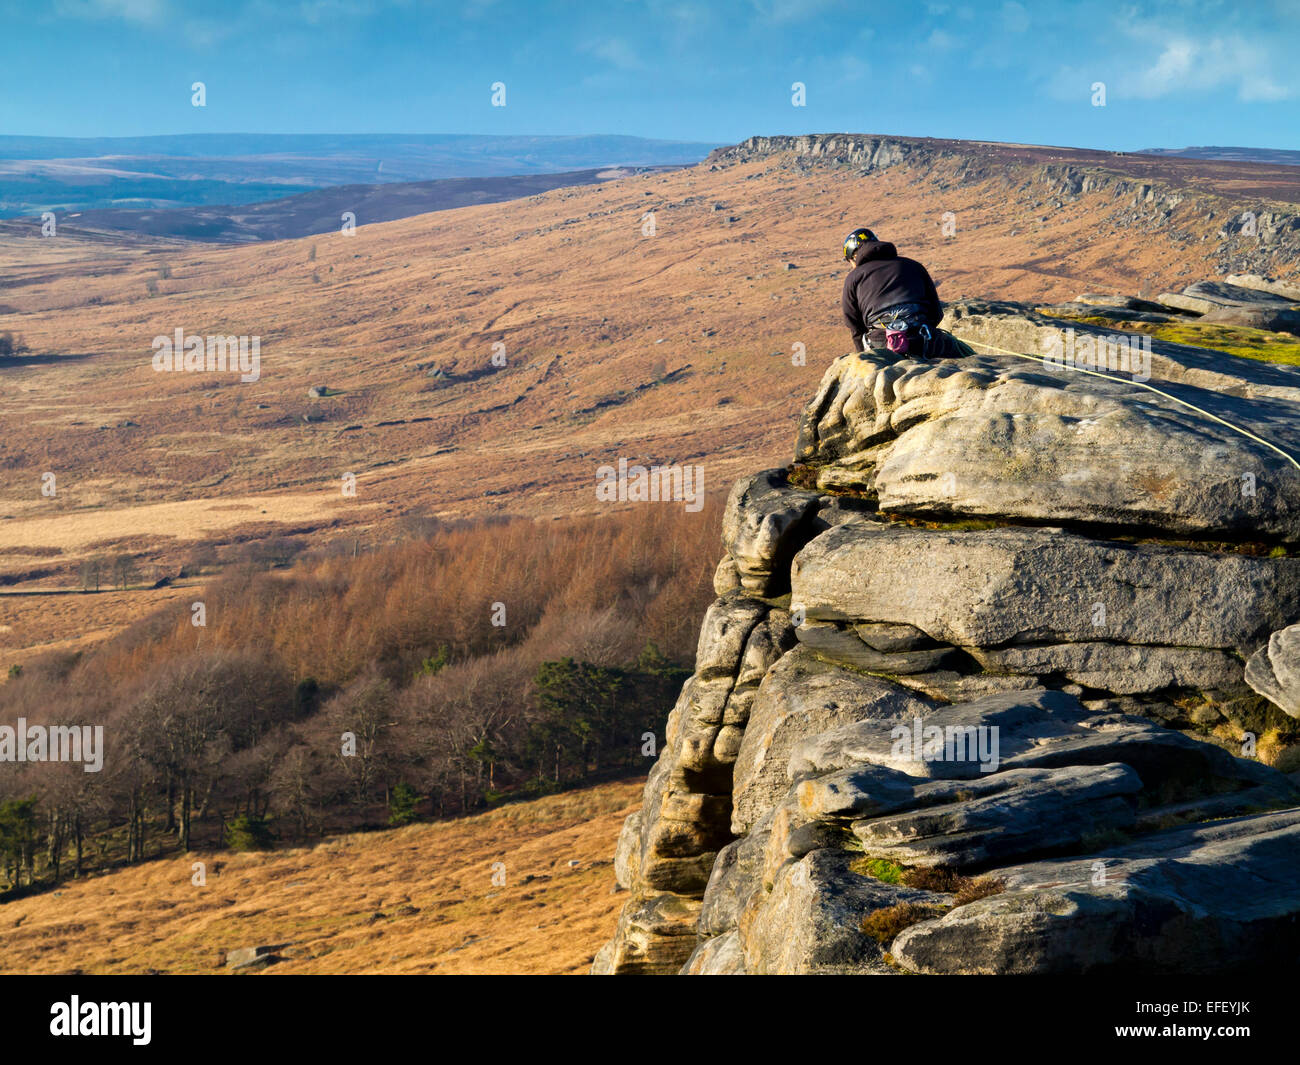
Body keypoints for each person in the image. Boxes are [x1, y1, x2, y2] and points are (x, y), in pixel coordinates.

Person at [840, 227, 962, 358]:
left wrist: (863, 354)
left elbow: (854, 324)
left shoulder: (853, 278)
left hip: (881, 343)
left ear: (854, 256)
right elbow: (936, 312)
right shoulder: (914, 265)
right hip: (924, 339)